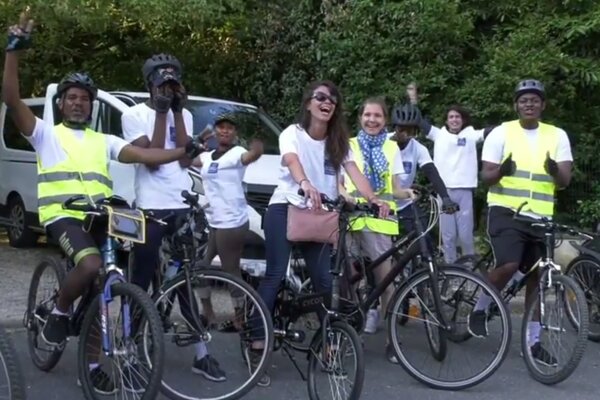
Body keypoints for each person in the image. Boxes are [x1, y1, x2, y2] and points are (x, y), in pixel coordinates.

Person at [3, 14, 201, 394]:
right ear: (61, 104)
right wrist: (14, 53)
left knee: (103, 287)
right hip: (62, 217)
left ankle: (92, 363)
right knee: (91, 264)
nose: (79, 104)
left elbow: (146, 157)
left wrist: (184, 149)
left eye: (85, 100)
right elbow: (11, 100)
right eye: (72, 98)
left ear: (92, 107)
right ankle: (59, 312)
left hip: (100, 217)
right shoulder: (46, 134)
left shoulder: (103, 140)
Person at [246, 81, 391, 386]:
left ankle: (328, 345)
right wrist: (305, 183)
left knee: (327, 282)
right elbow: (292, 161)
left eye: (333, 100)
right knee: (275, 274)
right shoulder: (292, 134)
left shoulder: (339, 142)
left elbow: (355, 175)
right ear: (309, 103)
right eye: (321, 97)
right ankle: (258, 339)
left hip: (321, 216)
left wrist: (373, 199)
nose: (327, 103)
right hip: (286, 208)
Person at [121, 53, 226, 382]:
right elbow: (151, 158)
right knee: (140, 279)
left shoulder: (186, 115)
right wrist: (162, 112)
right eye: (162, 84)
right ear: (150, 85)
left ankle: (201, 353)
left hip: (180, 204)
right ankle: (131, 346)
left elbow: (183, 158)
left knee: (184, 282)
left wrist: (178, 112)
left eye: (173, 84)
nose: (168, 89)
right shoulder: (133, 114)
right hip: (150, 206)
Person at [469, 79, 573, 367]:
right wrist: (502, 170)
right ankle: (481, 307)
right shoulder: (502, 132)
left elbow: (565, 180)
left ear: (543, 105)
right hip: (506, 211)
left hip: (541, 217)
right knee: (509, 265)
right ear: (516, 105)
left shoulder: (557, 135)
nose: (529, 104)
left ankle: (533, 342)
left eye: (535, 100)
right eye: (524, 100)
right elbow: (485, 176)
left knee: (537, 279)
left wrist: (554, 170)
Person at [339, 97, 415, 363]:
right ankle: (350, 333)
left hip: (381, 220)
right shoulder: (347, 145)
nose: (372, 120)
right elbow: (337, 182)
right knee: (350, 280)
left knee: (386, 282)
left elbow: (394, 187)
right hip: (351, 219)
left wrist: (408, 192)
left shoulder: (392, 147)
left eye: (377, 116)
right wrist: (344, 197)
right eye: (367, 115)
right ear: (360, 117)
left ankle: (392, 339)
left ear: (385, 120)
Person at [193, 113, 264, 330]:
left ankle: (240, 319)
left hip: (232, 221)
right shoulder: (207, 156)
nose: (225, 131)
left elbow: (249, 157)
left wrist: (258, 149)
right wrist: (197, 142)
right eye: (220, 127)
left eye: (229, 128)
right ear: (215, 131)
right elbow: (184, 160)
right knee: (200, 267)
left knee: (230, 270)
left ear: (235, 133)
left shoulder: (237, 153)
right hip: (215, 220)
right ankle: (208, 313)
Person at [408, 84, 493, 263]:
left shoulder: (471, 134)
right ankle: (450, 266)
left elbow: (490, 132)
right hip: (444, 191)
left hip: (465, 190)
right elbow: (417, 121)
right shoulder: (438, 134)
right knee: (448, 234)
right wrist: (413, 100)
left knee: (465, 232)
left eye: (457, 117)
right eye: (451, 117)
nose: (454, 120)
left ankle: (469, 266)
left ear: (463, 120)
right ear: (446, 120)